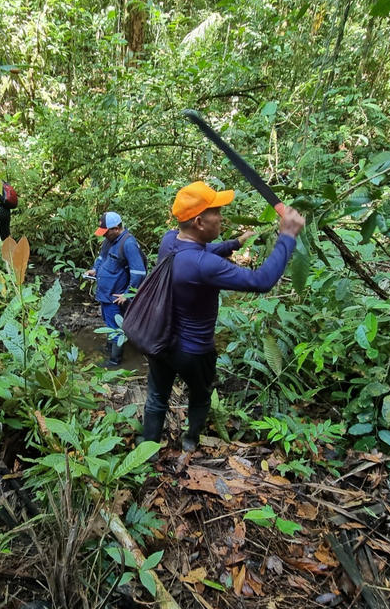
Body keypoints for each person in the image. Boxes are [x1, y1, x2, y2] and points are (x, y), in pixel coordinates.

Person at [143, 181, 305, 450]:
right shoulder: (205, 266)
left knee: (157, 395)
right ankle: (190, 441)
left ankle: (146, 449)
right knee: (201, 395)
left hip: (160, 340)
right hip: (194, 351)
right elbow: (261, 281)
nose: (222, 217)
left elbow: (199, 249)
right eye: (216, 211)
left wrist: (235, 243)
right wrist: (287, 236)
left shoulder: (170, 241)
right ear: (199, 222)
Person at [84, 211, 147, 367]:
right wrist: (95, 269)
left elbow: (139, 272)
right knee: (108, 323)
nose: (104, 235)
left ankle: (114, 360)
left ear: (116, 228)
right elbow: (102, 258)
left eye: (106, 232)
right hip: (105, 294)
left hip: (115, 295)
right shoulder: (109, 241)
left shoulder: (128, 243)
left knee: (115, 327)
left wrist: (127, 294)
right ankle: (109, 349)